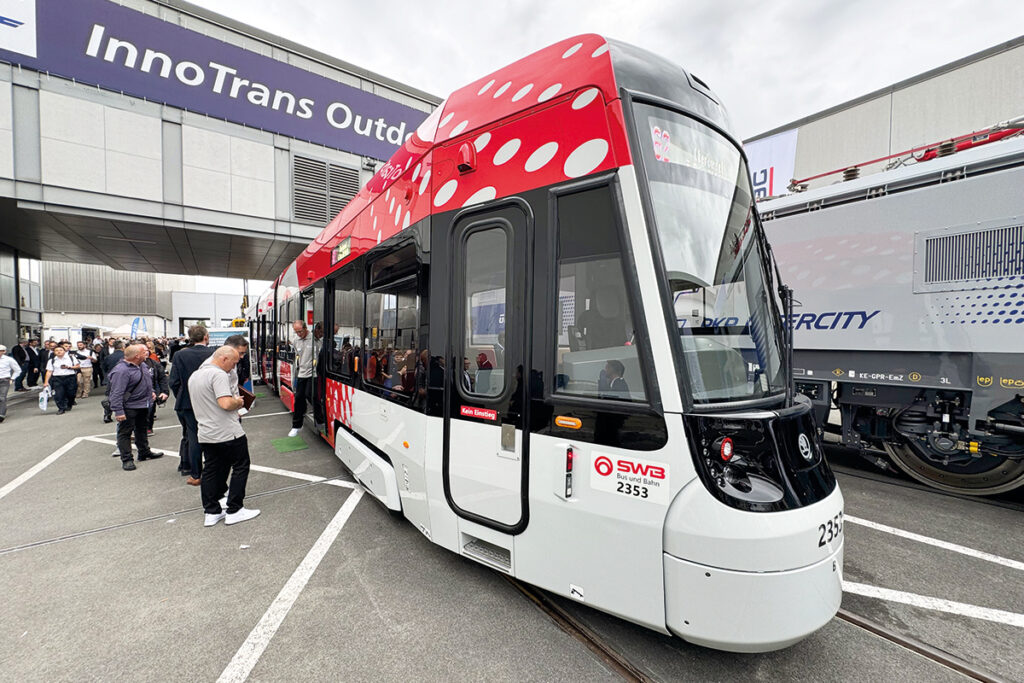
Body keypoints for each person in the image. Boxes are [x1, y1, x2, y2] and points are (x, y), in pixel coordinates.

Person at [189, 345, 259, 527]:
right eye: (234, 363)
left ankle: (211, 512)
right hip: (227, 431)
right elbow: (226, 403)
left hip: (206, 432)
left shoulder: (195, 375)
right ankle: (235, 509)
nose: (234, 367)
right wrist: (238, 401)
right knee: (241, 466)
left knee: (211, 470)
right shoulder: (219, 374)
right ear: (224, 359)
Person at [169, 325, 215, 484]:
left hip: (187, 402)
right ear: (206, 337)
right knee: (213, 435)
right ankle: (213, 470)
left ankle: (196, 474)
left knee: (193, 437)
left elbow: (174, 382)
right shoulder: (214, 353)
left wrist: (182, 396)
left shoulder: (179, 355)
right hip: (212, 401)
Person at [107, 344, 160, 471]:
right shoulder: (121, 371)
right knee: (125, 433)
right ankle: (127, 459)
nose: (147, 354)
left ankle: (144, 452)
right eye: (144, 352)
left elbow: (146, 381)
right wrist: (119, 411)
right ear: (137, 356)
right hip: (129, 407)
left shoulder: (142, 365)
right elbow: (116, 393)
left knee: (141, 429)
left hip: (143, 404)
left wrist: (151, 392)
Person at [288, 320, 313, 437]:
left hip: (313, 374)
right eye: (296, 332)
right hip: (301, 373)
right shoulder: (296, 341)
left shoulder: (314, 339)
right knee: (298, 398)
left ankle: (320, 418)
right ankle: (297, 426)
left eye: (300, 331)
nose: (298, 334)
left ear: (305, 328)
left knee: (309, 395)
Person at [43, 345, 80, 415]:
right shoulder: (52, 360)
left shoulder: (71, 358)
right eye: (56, 350)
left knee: (71, 393)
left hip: (70, 377)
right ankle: (61, 408)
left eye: (60, 350)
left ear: (64, 351)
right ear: (54, 352)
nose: (59, 352)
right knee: (58, 394)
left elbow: (78, 366)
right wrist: (46, 382)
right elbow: (49, 371)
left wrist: (69, 367)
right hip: (57, 378)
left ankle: (69, 404)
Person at [143, 349, 169, 434]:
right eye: (143, 351)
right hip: (136, 394)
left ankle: (148, 428)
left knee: (150, 411)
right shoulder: (130, 365)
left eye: (147, 350)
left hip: (152, 392)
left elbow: (162, 378)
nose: (146, 352)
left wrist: (164, 391)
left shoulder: (154, 364)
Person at [100, 341, 125, 423]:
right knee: (125, 395)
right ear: (123, 347)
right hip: (124, 378)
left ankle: (107, 415)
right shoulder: (125, 356)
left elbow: (104, 367)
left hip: (111, 378)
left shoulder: (109, 357)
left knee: (109, 396)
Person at [0, 345, 24, 423]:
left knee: (2, 397)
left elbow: (18, 370)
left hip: (4, 380)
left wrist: (12, 378)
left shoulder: (9, 360)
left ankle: (1, 414)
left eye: (1, 351)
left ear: (4, 352)